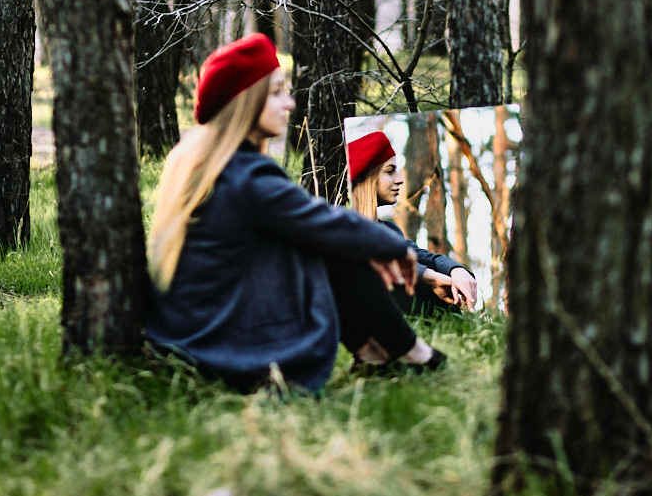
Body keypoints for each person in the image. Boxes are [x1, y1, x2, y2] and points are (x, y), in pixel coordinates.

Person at [146, 34, 445, 393]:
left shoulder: (204, 163)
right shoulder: (247, 176)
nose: (289, 102)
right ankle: (411, 352)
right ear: (245, 100)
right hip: (225, 353)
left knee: (329, 243)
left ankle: (380, 355)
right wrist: (396, 248)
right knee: (335, 245)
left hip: (189, 338)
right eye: (276, 92)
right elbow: (329, 223)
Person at [347, 130, 478, 316]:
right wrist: (430, 278)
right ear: (368, 178)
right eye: (390, 171)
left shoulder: (389, 229)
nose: (399, 179)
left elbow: (419, 256)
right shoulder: (344, 225)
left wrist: (455, 270)